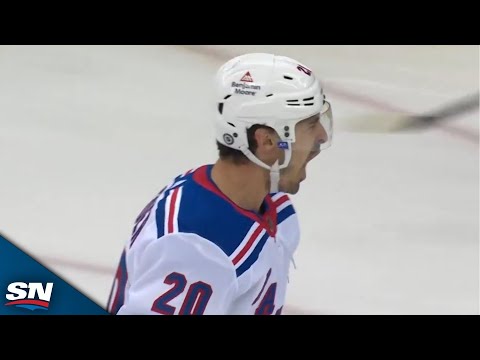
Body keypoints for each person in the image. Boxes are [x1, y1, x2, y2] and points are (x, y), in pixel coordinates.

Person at [106, 52, 333, 315]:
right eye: (311, 124)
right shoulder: (197, 245)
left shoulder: (274, 206)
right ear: (268, 141)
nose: (321, 136)